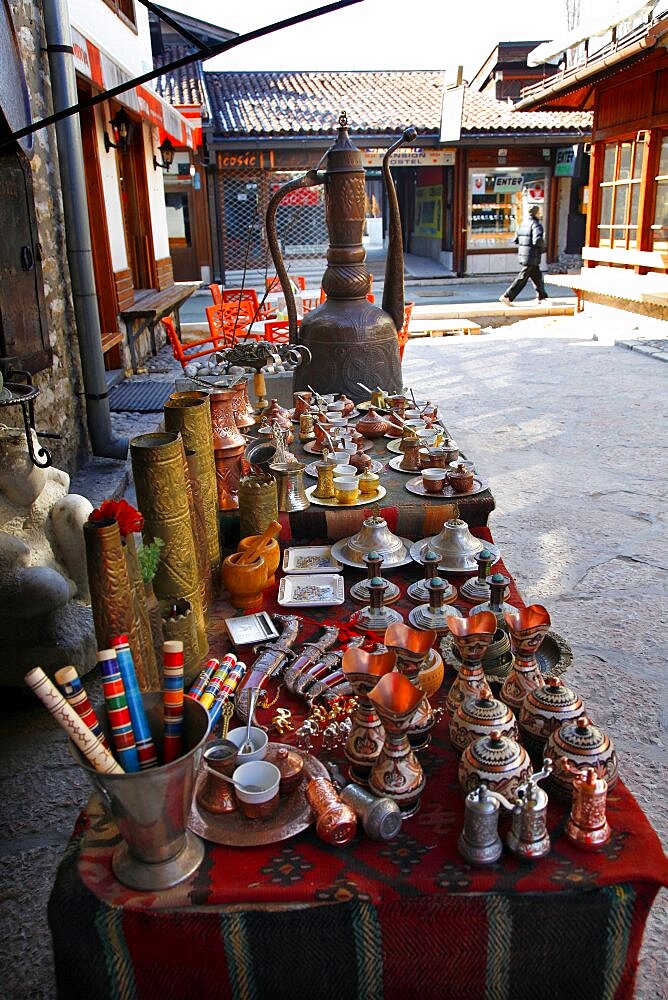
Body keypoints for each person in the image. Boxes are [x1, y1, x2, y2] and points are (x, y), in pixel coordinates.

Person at [499, 205, 549, 305]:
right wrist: (543, 247)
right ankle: (507, 296)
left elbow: (516, 239)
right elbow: (538, 240)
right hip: (532, 254)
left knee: (537, 276)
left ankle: (542, 296)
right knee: (522, 278)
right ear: (537, 213)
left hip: (524, 254)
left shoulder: (523, 223)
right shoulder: (536, 225)